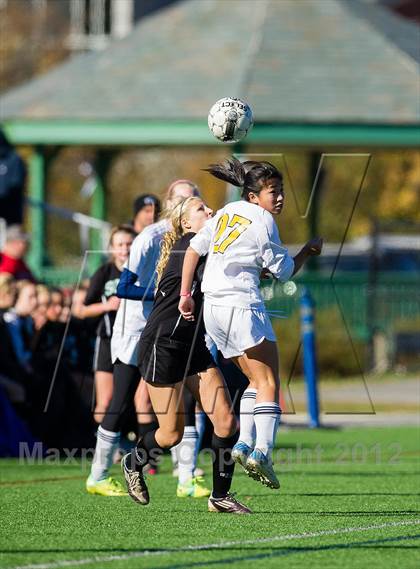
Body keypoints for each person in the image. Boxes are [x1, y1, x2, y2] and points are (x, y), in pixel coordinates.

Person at [179, 158, 323, 489]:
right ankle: (263, 452)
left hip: (213, 309)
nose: (281, 198)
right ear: (254, 196)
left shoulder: (227, 211)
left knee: (252, 380)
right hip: (242, 305)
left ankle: (244, 443)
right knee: (269, 379)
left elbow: (193, 251)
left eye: (282, 191)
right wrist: (307, 251)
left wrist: (186, 294)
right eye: (274, 192)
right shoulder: (263, 220)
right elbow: (283, 271)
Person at [122, 197, 251, 514]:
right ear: (186, 224)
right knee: (170, 434)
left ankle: (220, 497)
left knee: (225, 421)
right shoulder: (189, 244)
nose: (209, 211)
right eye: (200, 209)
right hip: (162, 345)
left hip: (193, 346)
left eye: (209, 207)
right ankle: (132, 461)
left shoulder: (208, 245)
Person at [86, 179, 201, 496]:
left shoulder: (194, 238)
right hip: (137, 329)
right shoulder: (150, 238)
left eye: (195, 200)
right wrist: (161, 294)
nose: (190, 205)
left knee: (186, 399)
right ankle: (97, 476)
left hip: (171, 327)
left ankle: (187, 478)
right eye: (183, 199)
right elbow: (124, 288)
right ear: (169, 203)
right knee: (119, 399)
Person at [81, 225, 136, 423]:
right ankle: (100, 444)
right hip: (107, 339)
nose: (124, 249)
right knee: (105, 400)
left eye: (129, 244)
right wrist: (108, 306)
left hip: (135, 339)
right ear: (112, 248)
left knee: (136, 399)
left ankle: (128, 442)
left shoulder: (142, 270)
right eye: (119, 244)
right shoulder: (104, 272)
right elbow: (81, 309)